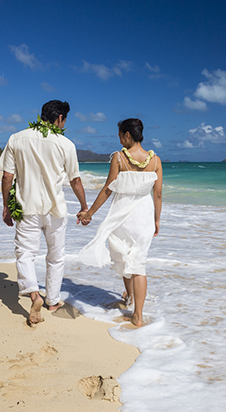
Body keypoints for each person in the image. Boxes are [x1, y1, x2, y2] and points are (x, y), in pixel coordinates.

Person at [0, 100, 89, 326]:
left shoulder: (16, 138)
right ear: (59, 118)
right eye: (65, 119)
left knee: (25, 253)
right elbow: (75, 180)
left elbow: (7, 177)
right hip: (55, 209)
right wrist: (84, 206)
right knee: (55, 256)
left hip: (26, 207)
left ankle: (34, 295)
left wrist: (6, 205)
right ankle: (53, 300)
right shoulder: (66, 144)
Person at [77, 118, 162, 327]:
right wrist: (157, 220)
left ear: (127, 135)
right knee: (139, 263)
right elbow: (158, 195)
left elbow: (108, 189)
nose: (118, 138)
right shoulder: (156, 161)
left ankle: (130, 296)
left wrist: (90, 213)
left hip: (122, 216)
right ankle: (138, 315)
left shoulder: (119, 158)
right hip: (144, 216)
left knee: (125, 256)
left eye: (119, 134)